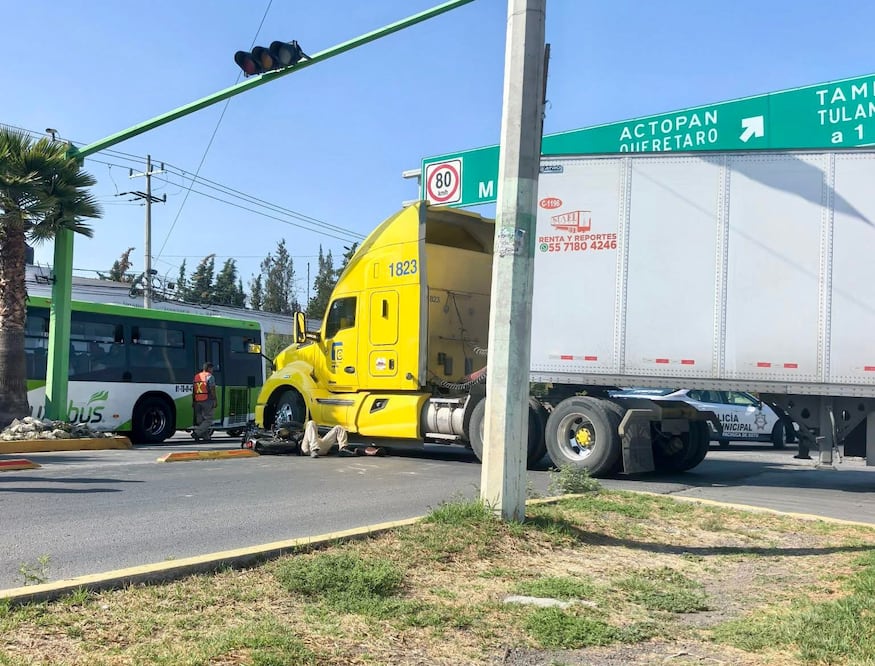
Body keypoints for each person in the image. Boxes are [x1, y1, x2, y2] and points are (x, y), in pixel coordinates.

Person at [191, 362, 216, 442]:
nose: (212, 370)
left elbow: (194, 390)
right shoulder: (210, 376)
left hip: (197, 400)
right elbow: (212, 389)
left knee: (201, 420)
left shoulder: (196, 376)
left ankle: (206, 437)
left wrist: (193, 401)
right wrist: (215, 400)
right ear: (209, 368)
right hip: (207, 400)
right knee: (209, 419)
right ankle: (196, 432)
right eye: (212, 368)